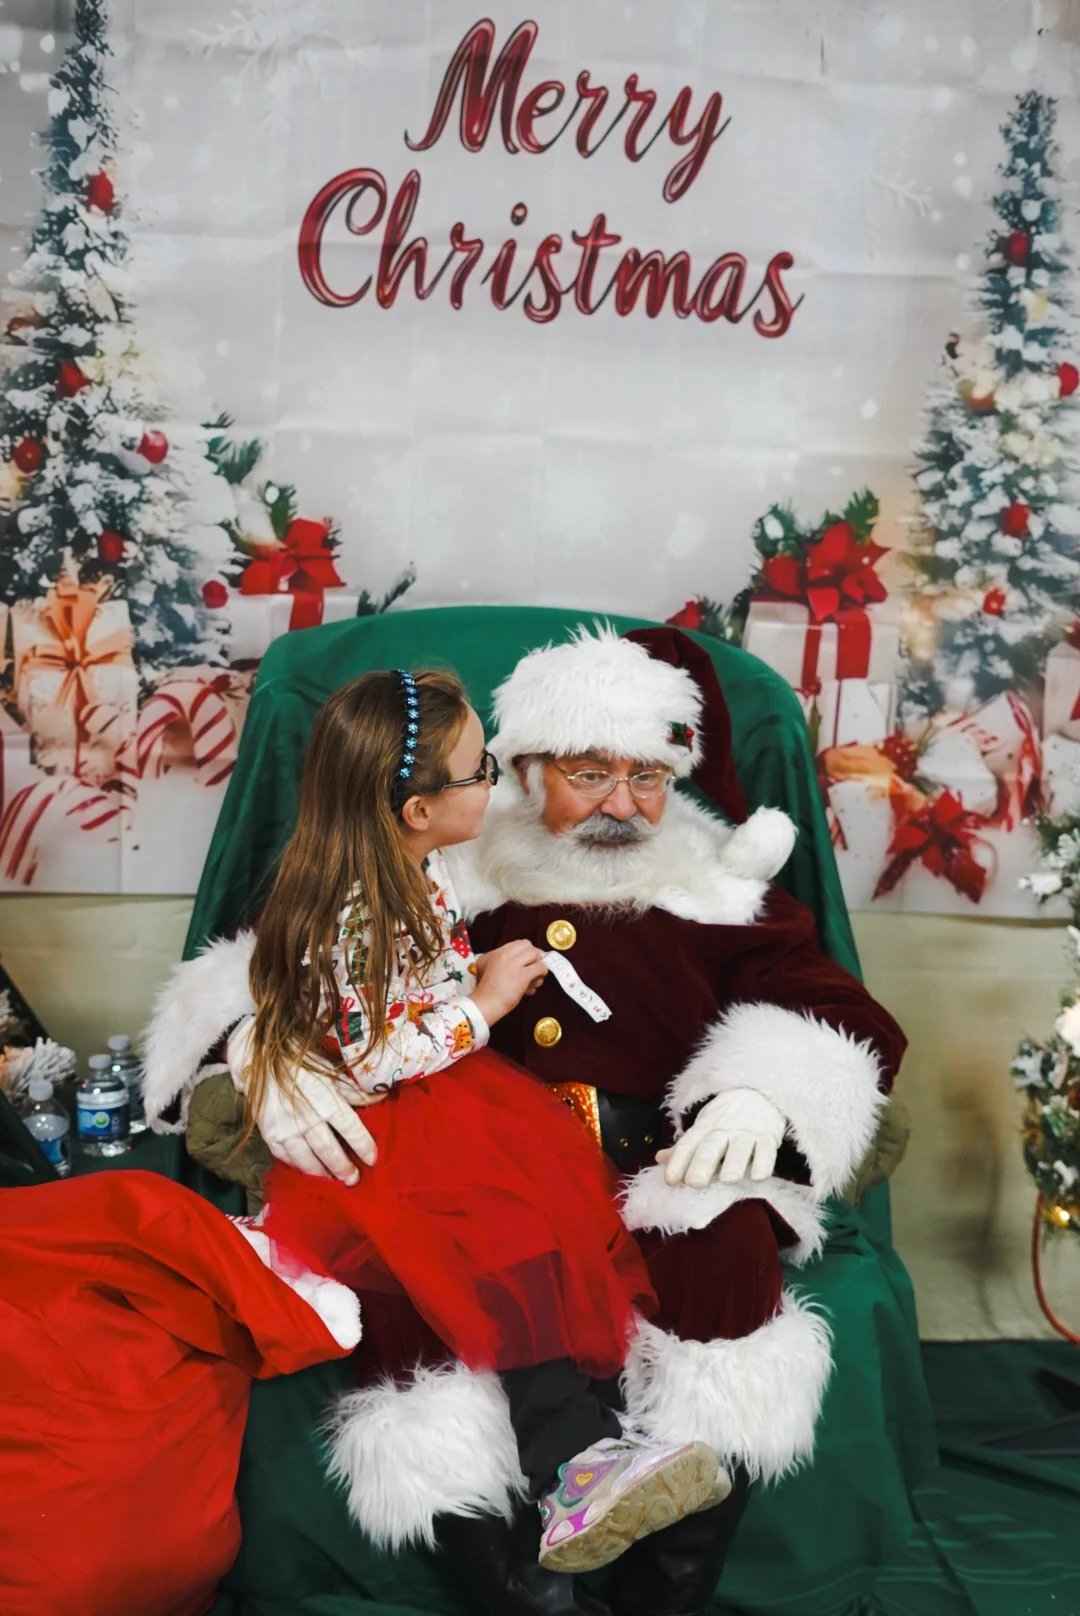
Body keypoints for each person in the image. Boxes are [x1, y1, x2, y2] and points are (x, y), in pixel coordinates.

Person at [144, 623, 908, 1616]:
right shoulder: (448, 865)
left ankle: (657, 1596)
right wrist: (265, 1057)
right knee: (413, 1298)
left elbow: (843, 1013)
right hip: (473, 1168)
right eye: (590, 770)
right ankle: (535, 1597)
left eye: (646, 773)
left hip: (660, 1162)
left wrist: (766, 1087)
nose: (622, 802)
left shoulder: (718, 891)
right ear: (527, 765)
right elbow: (276, 970)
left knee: (721, 1262)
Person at [226, 665, 727, 1586]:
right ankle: (570, 1466)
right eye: (477, 771)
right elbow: (370, 1056)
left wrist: (471, 972)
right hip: (408, 1131)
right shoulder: (354, 906)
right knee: (513, 1252)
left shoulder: (411, 875)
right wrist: (484, 1005)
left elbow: (407, 989)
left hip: (463, 1106)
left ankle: (592, 1451)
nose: (493, 785)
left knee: (550, 1239)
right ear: (417, 809)